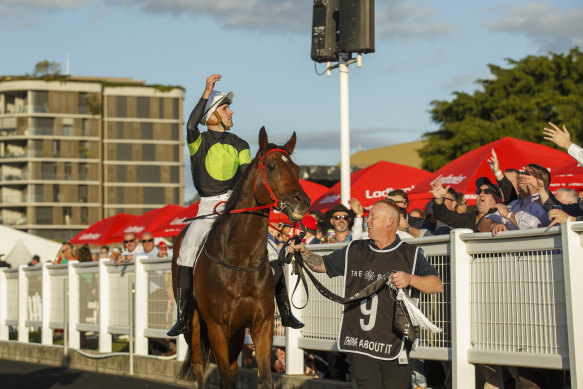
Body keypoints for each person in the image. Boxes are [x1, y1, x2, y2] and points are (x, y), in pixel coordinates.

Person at [169, 73, 301, 337]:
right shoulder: (198, 141)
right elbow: (191, 124)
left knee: (273, 252)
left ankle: (285, 311)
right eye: (226, 108)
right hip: (207, 209)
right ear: (213, 116)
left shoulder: (240, 143)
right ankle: (184, 317)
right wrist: (207, 91)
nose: (231, 112)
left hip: (234, 208)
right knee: (186, 251)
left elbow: (244, 181)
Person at [289, 199, 443, 389]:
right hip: (358, 342)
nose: (367, 221)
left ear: (389, 222)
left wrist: (411, 279)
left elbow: (437, 285)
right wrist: (304, 253)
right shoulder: (355, 249)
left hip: (393, 343)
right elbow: (322, 265)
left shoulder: (410, 254)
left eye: (373, 217)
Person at [479, 164, 550, 236]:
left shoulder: (544, 203)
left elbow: (530, 223)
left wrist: (508, 214)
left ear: (540, 182)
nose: (521, 176)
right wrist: (493, 226)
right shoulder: (514, 203)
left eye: (527, 174)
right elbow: (483, 222)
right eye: (522, 173)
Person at [431, 177, 501, 232]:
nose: (481, 194)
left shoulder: (501, 217)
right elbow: (443, 216)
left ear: (497, 198)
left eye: (487, 191)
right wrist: (439, 199)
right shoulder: (469, 217)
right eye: (479, 191)